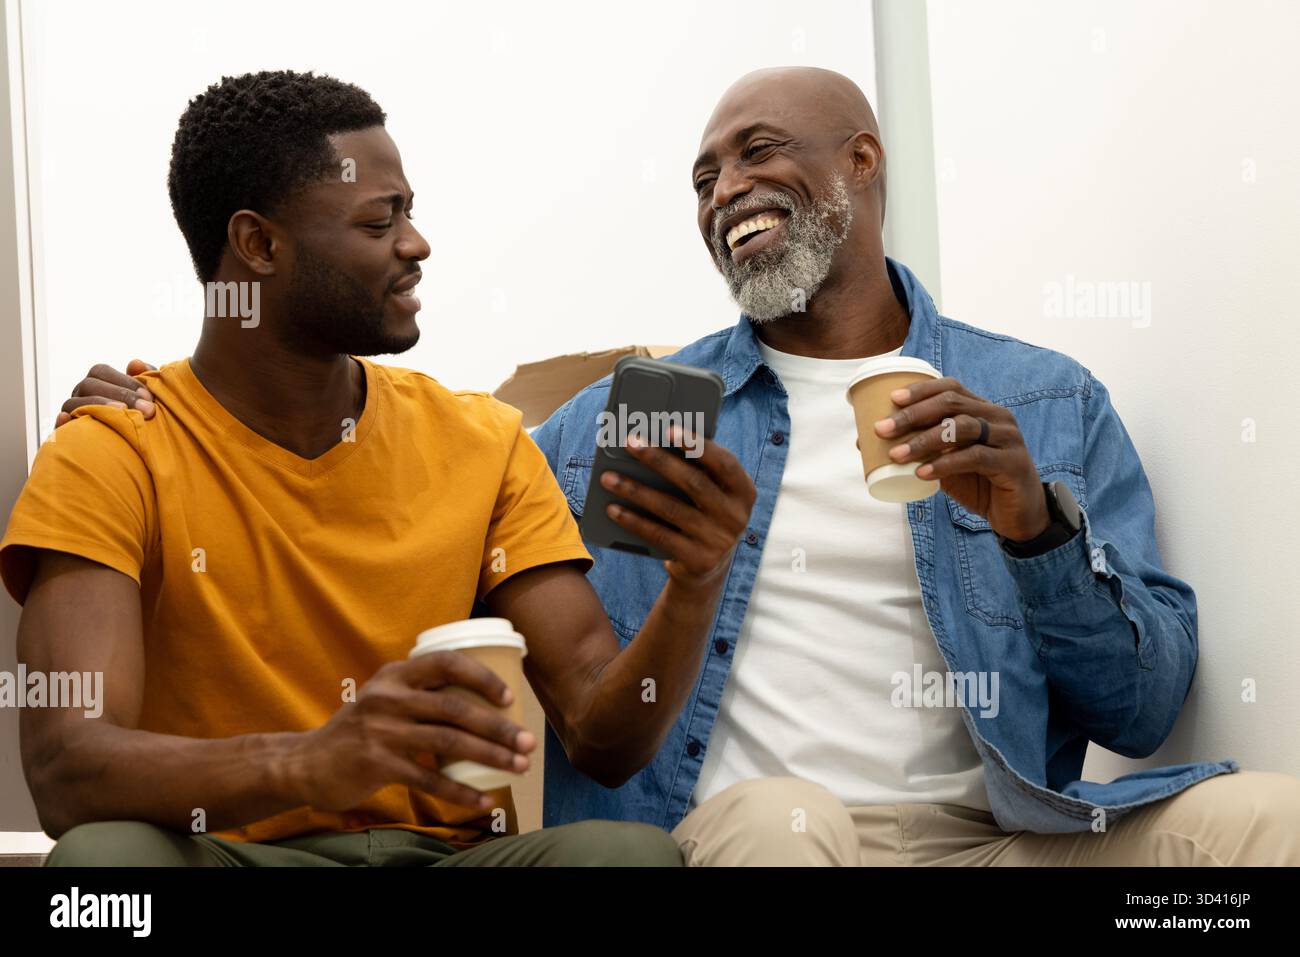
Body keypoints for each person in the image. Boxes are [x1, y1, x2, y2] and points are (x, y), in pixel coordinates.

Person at [64, 68, 1300, 866]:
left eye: (758, 153)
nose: (725, 189)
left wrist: (1032, 525)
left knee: (1265, 822)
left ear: (862, 163)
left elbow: (1143, 709)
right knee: (780, 829)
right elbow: (414, 451)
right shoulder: (636, 415)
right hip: (773, 831)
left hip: (1015, 829)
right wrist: (160, 409)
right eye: (703, 178)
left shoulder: (1036, 399)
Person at [1, 70, 758, 867]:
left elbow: (604, 738)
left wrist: (695, 582)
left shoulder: (481, 441)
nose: (416, 242)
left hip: (440, 855)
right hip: (224, 853)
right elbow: (64, 771)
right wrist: (310, 762)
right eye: (379, 220)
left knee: (625, 856)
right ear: (258, 244)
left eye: (410, 210)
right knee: (101, 864)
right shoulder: (112, 449)